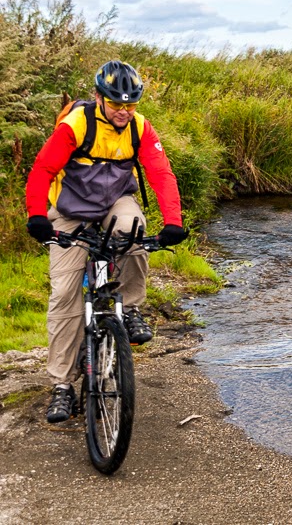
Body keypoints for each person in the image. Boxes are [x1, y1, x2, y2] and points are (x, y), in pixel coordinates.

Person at [24, 60, 188, 423]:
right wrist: (37, 215)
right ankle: (62, 386)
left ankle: (129, 309)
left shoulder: (140, 127)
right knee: (64, 295)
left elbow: (161, 173)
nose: (124, 112)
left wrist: (173, 221)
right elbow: (42, 170)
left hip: (116, 202)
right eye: (117, 104)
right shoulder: (76, 125)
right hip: (71, 209)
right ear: (99, 97)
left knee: (132, 231)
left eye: (131, 105)